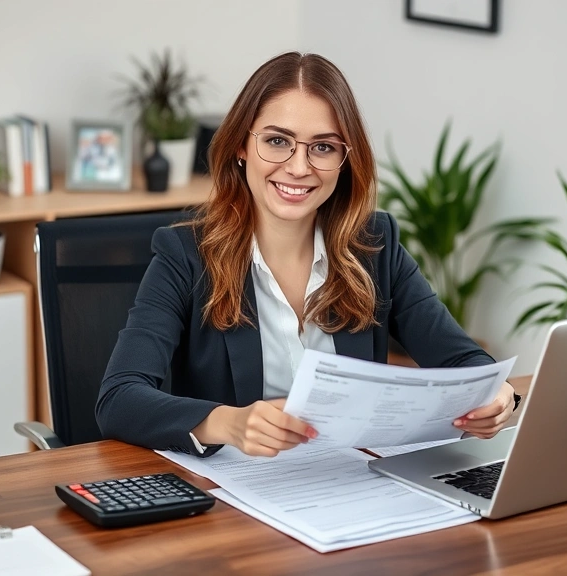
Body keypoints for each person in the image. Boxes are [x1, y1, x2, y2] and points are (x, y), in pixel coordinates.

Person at [97, 52, 520, 458]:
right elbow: (119, 398)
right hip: (232, 499)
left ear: (345, 160)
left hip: (350, 487)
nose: (299, 167)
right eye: (278, 141)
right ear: (241, 147)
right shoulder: (185, 255)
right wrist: (229, 423)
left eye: (323, 147)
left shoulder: (375, 245)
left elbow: (463, 359)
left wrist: (498, 396)